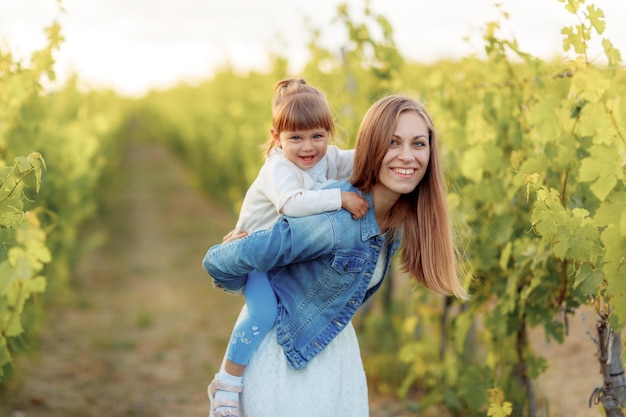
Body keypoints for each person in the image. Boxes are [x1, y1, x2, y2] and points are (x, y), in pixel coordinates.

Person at [203, 94, 469, 417]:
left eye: (419, 144)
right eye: (393, 142)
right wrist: (242, 269)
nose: (407, 155)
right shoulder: (336, 219)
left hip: (333, 354)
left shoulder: (394, 221)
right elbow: (220, 261)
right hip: (287, 363)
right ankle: (227, 383)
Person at [208, 78, 369, 417]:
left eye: (317, 136)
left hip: (284, 254)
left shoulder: (324, 158)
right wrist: (340, 197)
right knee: (263, 312)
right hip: (257, 255)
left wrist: (386, 151)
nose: (308, 147)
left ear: (329, 133)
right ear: (276, 138)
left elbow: (360, 161)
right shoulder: (278, 167)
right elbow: (292, 204)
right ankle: (227, 381)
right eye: (295, 138)